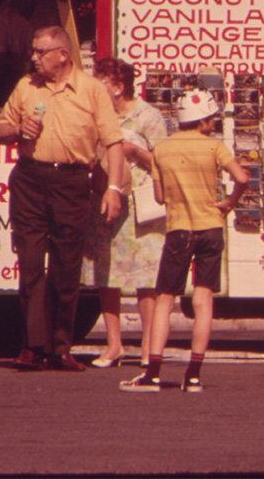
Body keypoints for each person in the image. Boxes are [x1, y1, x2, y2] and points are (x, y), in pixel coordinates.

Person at [0, 26, 125, 372]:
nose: (33, 57)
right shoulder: (26, 86)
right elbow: (0, 129)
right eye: (33, 51)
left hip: (72, 181)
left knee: (67, 267)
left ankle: (61, 346)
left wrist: (113, 189)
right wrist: (18, 128)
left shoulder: (92, 90)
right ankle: (32, 345)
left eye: (40, 52)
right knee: (32, 263)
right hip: (30, 178)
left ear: (62, 54)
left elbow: (113, 142)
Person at [120, 90, 248, 393]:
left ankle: (152, 373)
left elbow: (160, 197)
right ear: (202, 120)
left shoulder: (162, 150)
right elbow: (242, 178)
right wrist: (229, 201)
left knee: (165, 301)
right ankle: (193, 376)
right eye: (212, 117)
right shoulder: (214, 147)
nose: (214, 122)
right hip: (211, 229)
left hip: (179, 231)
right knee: (203, 302)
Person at [82, 58, 168, 368]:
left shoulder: (148, 116)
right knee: (107, 273)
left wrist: (135, 152)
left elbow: (164, 161)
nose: (95, 88)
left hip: (140, 206)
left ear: (118, 88)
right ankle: (114, 344)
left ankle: (148, 346)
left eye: (101, 83)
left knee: (145, 276)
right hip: (105, 198)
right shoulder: (97, 117)